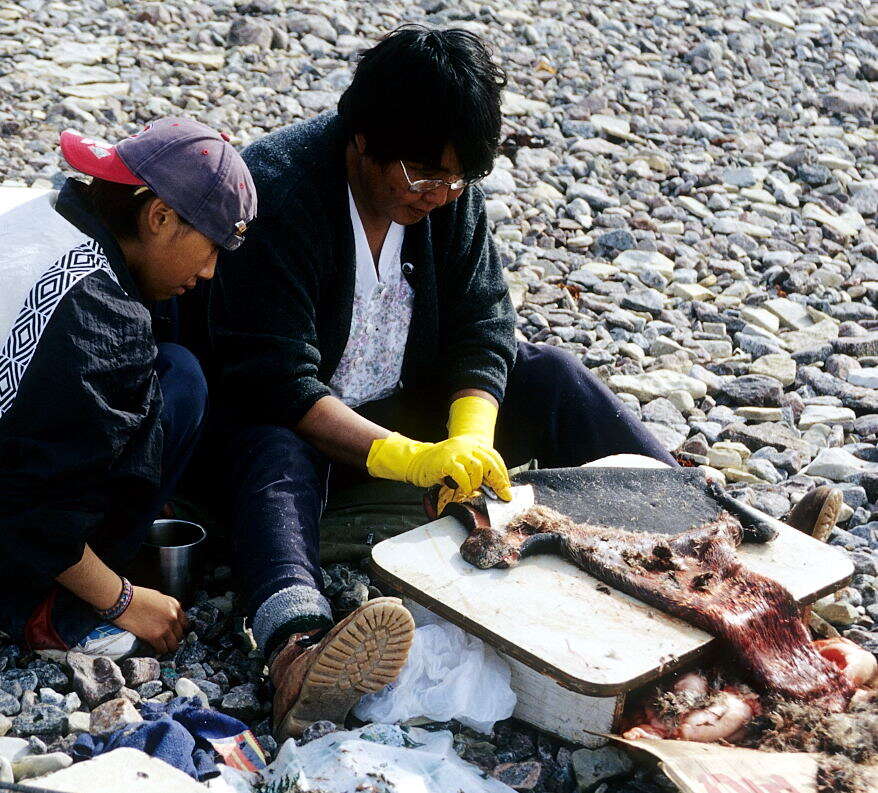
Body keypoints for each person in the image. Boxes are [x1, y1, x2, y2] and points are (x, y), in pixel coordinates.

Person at [209, 26, 676, 739]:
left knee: (551, 375)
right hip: (308, 431)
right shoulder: (279, 188)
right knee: (268, 451)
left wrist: (469, 436)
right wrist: (409, 458)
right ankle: (297, 652)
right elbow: (274, 378)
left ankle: (700, 524)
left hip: (404, 406)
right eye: (423, 175)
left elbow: (484, 326)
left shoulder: (447, 194)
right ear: (361, 140)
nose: (439, 193)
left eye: (457, 179)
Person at [0, 118, 256, 661]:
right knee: (180, 380)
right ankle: (44, 610)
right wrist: (123, 600)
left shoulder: (35, 214)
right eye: (209, 248)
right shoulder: (98, 317)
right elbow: (31, 502)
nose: (210, 271)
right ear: (160, 216)